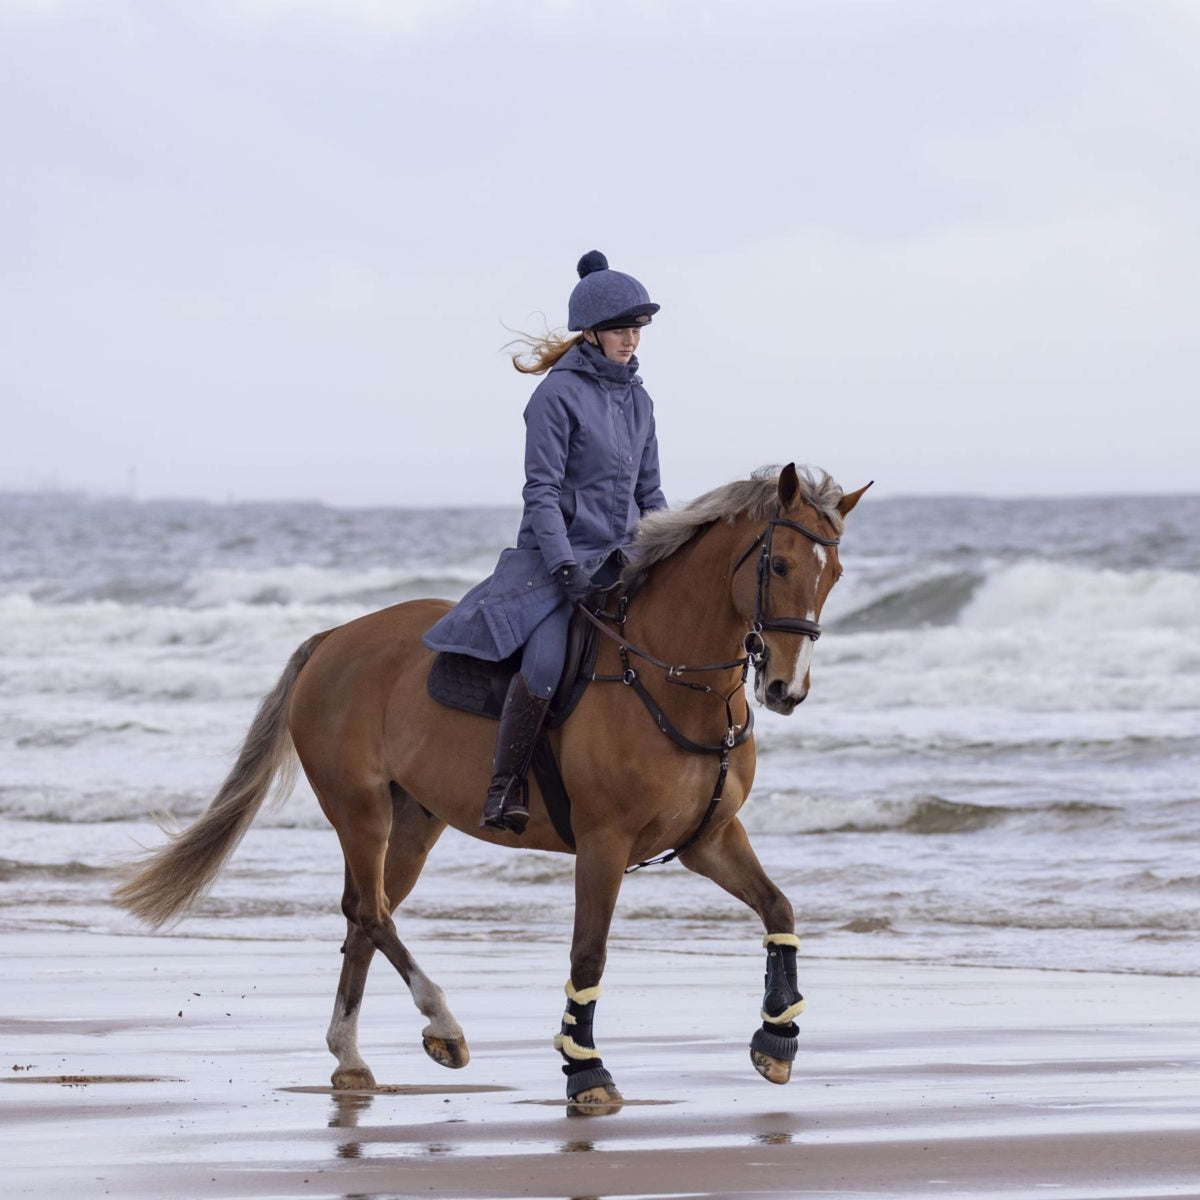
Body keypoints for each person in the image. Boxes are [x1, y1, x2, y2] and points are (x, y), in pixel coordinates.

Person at [422, 250, 668, 834]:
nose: (630, 339)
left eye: (636, 329)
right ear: (591, 332)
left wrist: (665, 552)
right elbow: (541, 492)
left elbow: (651, 494)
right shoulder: (554, 397)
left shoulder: (640, 401)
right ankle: (504, 789)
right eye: (619, 329)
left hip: (620, 561)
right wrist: (563, 567)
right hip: (553, 566)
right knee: (547, 662)